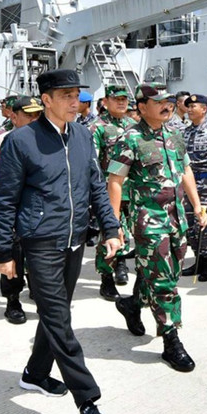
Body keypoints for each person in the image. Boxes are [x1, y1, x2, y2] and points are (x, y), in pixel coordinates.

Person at [0, 69, 121, 414]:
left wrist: (110, 228)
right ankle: (87, 401)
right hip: (40, 241)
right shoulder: (21, 141)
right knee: (60, 318)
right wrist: (3, 250)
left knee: (55, 313)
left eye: (77, 95)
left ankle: (34, 373)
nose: (74, 102)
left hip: (74, 240)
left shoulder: (83, 135)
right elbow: (5, 200)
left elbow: (96, 186)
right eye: (65, 95)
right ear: (45, 99)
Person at [108, 83, 207, 372]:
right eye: (159, 102)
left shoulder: (175, 134)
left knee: (166, 272)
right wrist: (114, 226)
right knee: (165, 283)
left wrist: (197, 205)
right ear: (141, 108)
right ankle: (171, 341)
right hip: (150, 221)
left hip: (177, 219)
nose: (167, 105)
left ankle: (132, 304)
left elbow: (185, 169)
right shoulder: (131, 138)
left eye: (169, 101)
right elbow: (115, 181)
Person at [0, 95, 43, 324]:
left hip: (40, 209)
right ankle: (13, 300)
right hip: (15, 207)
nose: (34, 119)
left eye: (37, 114)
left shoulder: (47, 139)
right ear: (14, 116)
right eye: (29, 115)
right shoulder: (4, 140)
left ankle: (37, 291)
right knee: (13, 253)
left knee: (38, 254)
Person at [90, 85, 136, 300]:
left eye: (124, 99)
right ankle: (106, 278)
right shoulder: (98, 127)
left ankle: (122, 266)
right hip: (110, 190)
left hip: (133, 191)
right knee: (109, 233)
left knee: (132, 234)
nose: (121, 102)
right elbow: (93, 164)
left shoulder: (134, 125)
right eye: (116, 99)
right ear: (106, 101)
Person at [181, 94, 207, 282]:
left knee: (205, 225)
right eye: (188, 106)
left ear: (204, 109)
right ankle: (198, 260)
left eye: (193, 106)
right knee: (190, 225)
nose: (189, 109)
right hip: (189, 186)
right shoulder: (185, 132)